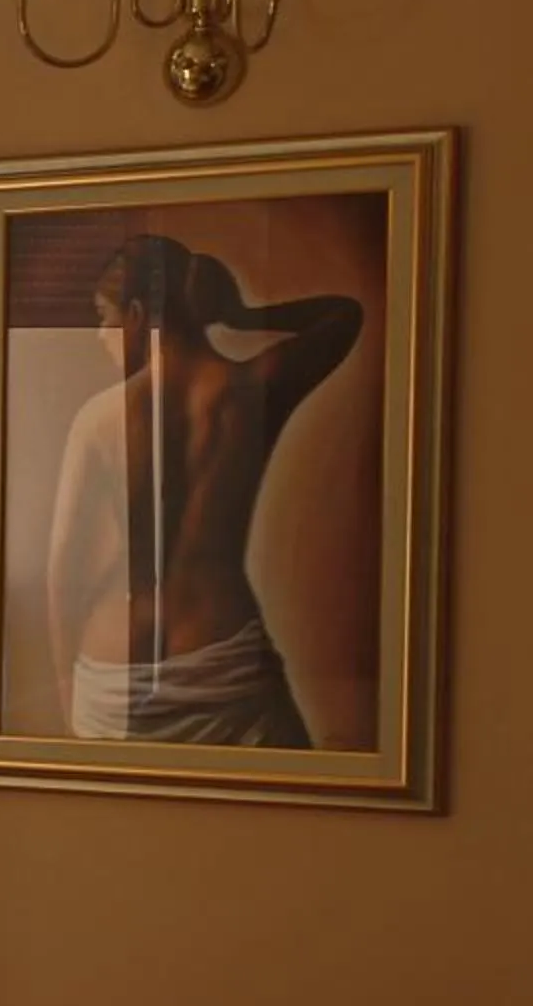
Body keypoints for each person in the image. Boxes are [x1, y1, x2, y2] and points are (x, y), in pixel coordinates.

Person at [45, 233, 362, 746]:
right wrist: (239, 314)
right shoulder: (254, 389)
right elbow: (345, 316)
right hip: (225, 663)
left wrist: (64, 685)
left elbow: (65, 567)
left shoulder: (97, 419)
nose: (100, 335)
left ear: (138, 312)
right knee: (280, 821)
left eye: (104, 317)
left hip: (112, 677)